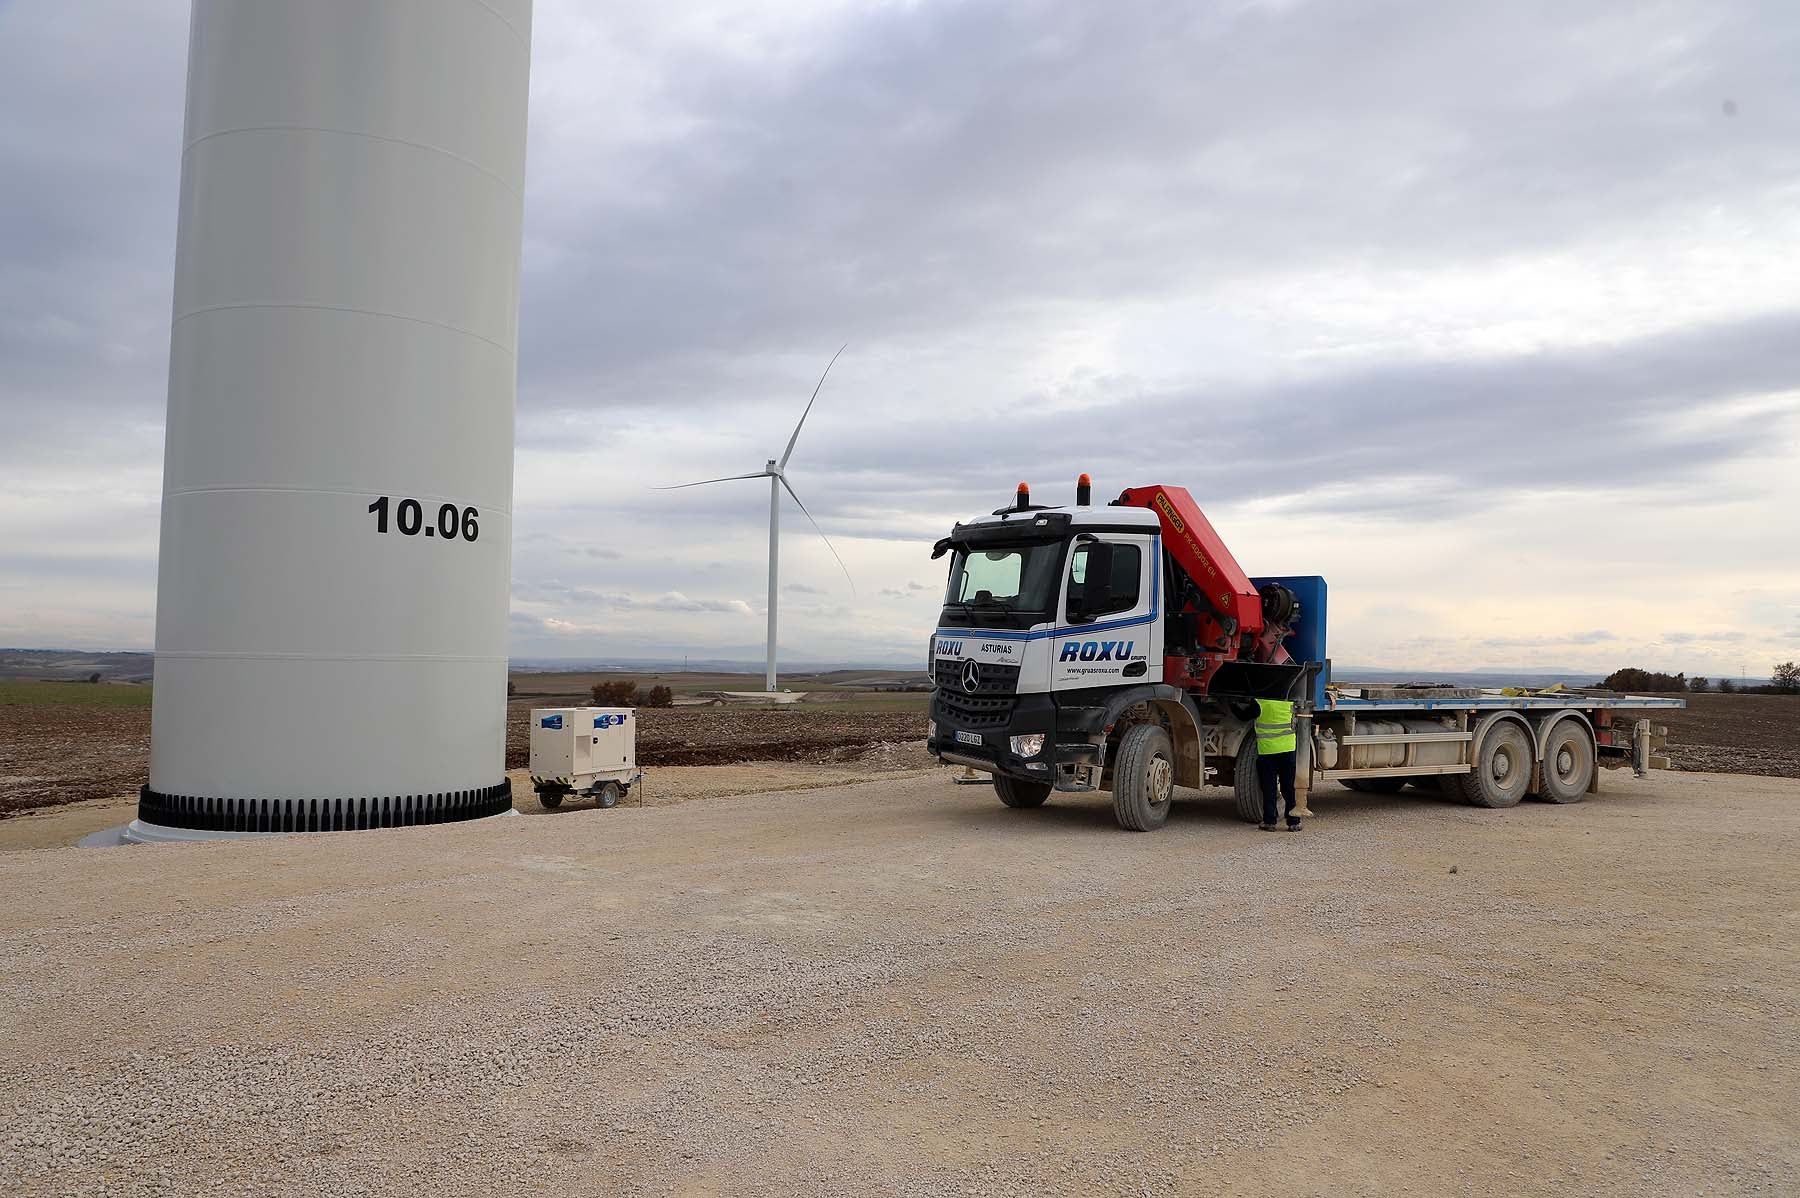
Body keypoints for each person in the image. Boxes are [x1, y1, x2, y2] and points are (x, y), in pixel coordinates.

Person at [1231, 695, 1301, 831]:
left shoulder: (1259, 702)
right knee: (1288, 787)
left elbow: (1243, 716)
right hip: (1288, 750)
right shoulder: (1290, 702)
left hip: (1267, 752)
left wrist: (1232, 705)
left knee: (1269, 788)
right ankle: (1294, 822)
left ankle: (1269, 822)